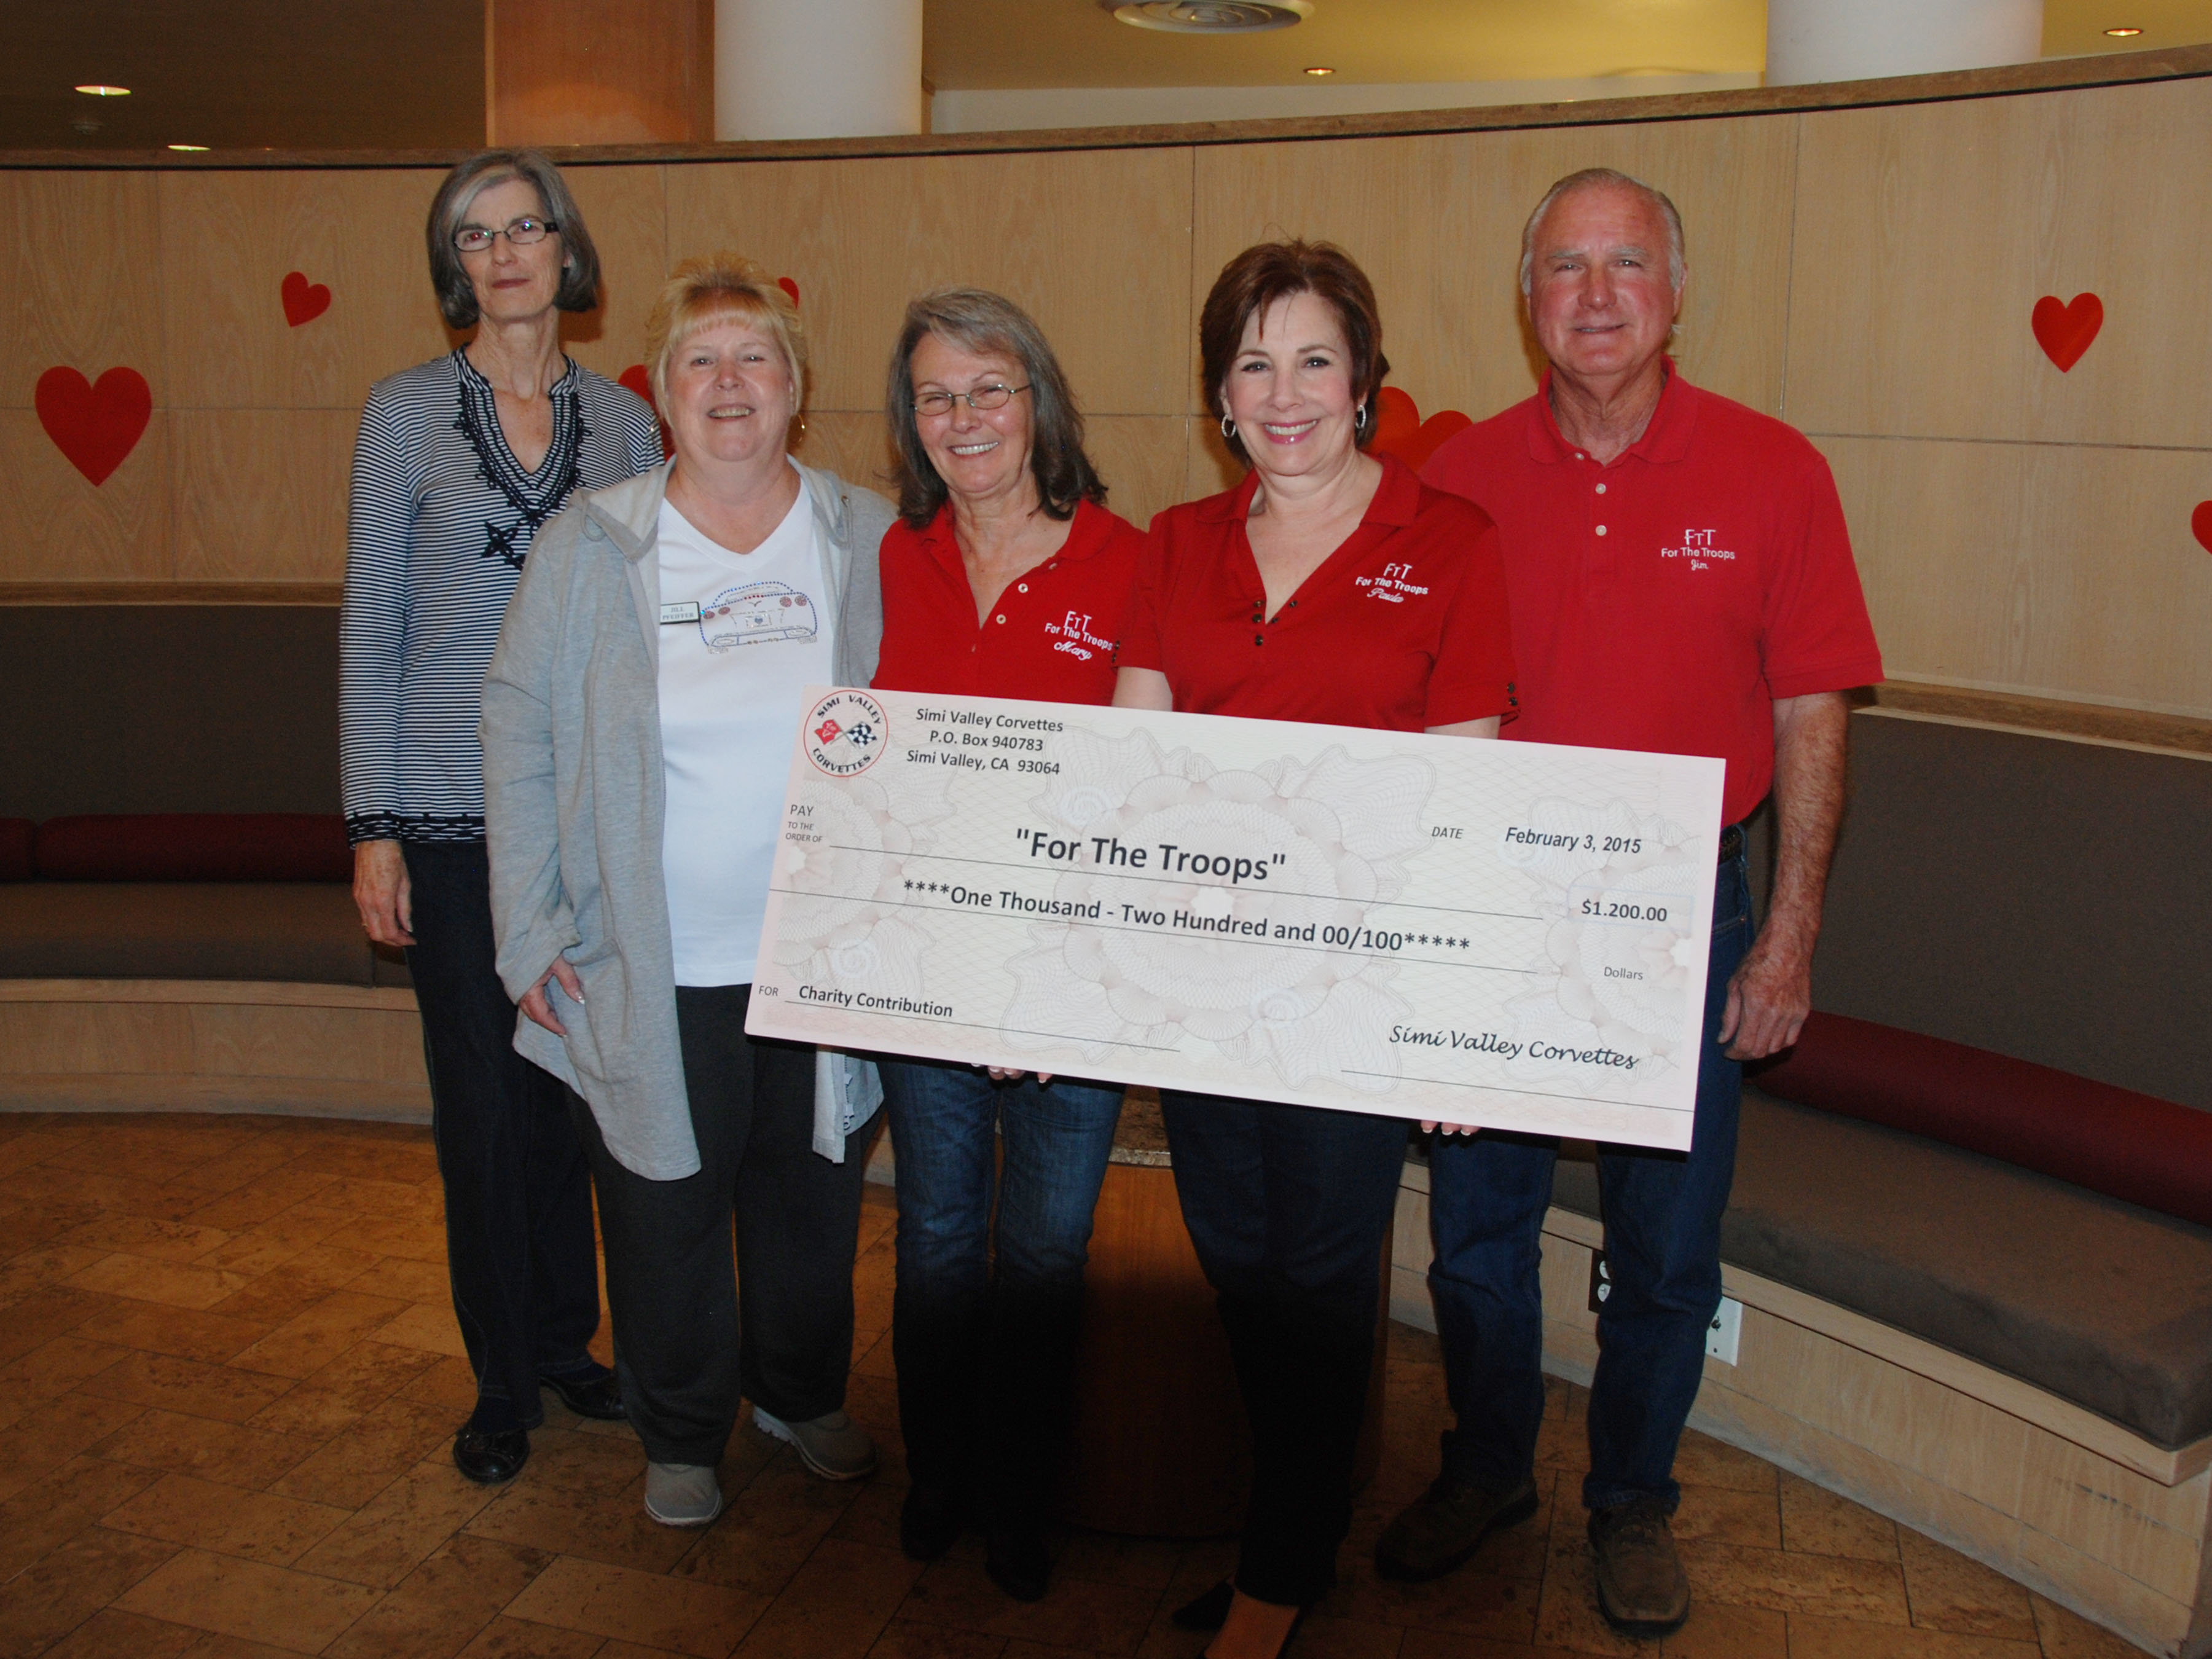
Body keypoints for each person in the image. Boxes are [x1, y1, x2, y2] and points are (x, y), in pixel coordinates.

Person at [1384, 168, 1884, 1638]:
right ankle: (1486, 1469)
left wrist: (1787, 936)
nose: (1595, 296)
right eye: (1563, 267)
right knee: (1477, 1228)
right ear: (1525, 297)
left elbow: (1813, 714)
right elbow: (1406, 701)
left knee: (1665, 1243)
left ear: (1676, 292)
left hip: (1690, 911)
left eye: (1626, 265)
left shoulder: (1776, 471)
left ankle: (1631, 1503)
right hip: (1498, 904)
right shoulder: (1461, 473)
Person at [1115, 240, 1516, 1659]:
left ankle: (1279, 1574)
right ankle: (1298, 1523)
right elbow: (1135, 776)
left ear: (1367, 380)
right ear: (1220, 394)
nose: (1285, 393)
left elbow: (1463, 802)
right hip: (1205, 986)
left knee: (1326, 1271)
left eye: (1314, 359)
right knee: (1237, 1261)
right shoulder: (1174, 544)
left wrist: (1454, 1019)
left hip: (1354, 996)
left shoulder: (1453, 543)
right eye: (1252, 363)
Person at [480, 253, 893, 1529]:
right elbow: (515, 724)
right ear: (659, 392)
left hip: (818, 957)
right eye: (701, 361)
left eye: (754, 358)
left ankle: (800, 1392)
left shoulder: (866, 534)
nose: (729, 383)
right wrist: (529, 930)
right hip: (646, 959)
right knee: (661, 1206)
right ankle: (680, 1431)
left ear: (796, 389)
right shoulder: (594, 542)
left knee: (811, 1198)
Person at [340, 149, 662, 1486]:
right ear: (454, 268)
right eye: (477, 236)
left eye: (529, 226)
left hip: (585, 820)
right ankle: (499, 1385)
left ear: (568, 251)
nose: (508, 250)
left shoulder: (634, 428)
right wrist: (371, 825)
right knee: (480, 1108)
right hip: (451, 815)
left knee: (573, 1095)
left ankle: (564, 1341)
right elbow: (373, 623)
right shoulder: (405, 413)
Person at [871, 289, 1142, 1599]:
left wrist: (1049, 979)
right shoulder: (895, 557)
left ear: (1040, 400)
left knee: (1042, 1254)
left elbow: (1148, 792)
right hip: (924, 971)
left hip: (1071, 985)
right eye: (935, 394)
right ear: (908, 421)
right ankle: (943, 1473)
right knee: (933, 1236)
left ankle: (1023, 1495)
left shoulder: (1128, 562)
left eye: (990, 388)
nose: (964, 417)